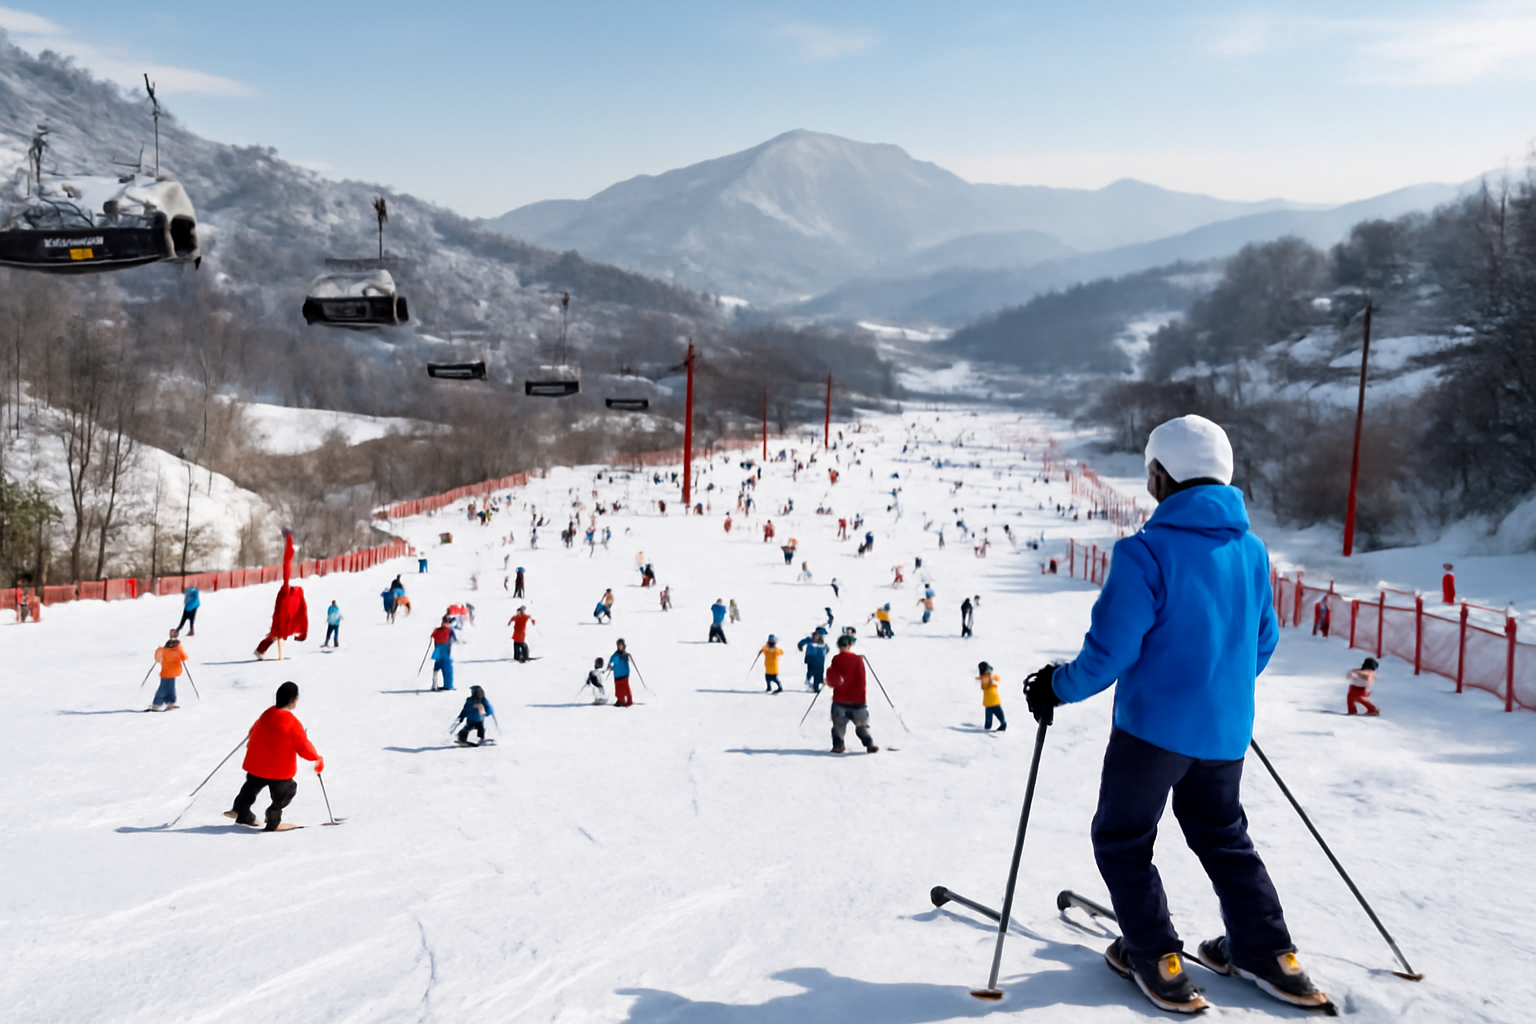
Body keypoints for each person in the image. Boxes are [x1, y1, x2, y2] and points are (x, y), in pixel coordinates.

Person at [1023, 414, 1329, 1015]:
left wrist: (1056, 687)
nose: (1148, 484)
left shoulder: (1145, 552)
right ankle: (1270, 953)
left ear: (1162, 476)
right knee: (1223, 835)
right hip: (1224, 733)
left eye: (1150, 473)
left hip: (1151, 734)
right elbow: (1263, 640)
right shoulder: (1251, 550)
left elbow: (1111, 652)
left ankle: (1156, 955)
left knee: (1122, 837)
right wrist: (1217, 690)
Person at [224, 681, 322, 832]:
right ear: (294, 700)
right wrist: (316, 758)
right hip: (279, 771)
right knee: (286, 792)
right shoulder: (292, 723)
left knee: (250, 788)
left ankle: (240, 810)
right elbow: (303, 746)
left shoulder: (266, 714)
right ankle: (273, 820)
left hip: (256, 765)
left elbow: (253, 731)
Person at [825, 634, 877, 754]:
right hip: (858, 700)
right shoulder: (858, 660)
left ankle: (838, 745)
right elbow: (862, 680)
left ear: (838, 645)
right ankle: (869, 743)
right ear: (850, 645)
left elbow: (833, 679)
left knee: (838, 726)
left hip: (840, 699)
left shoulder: (836, 659)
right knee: (862, 726)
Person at [149, 630, 189, 711]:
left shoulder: (166, 646)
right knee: (168, 688)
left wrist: (159, 651)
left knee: (165, 687)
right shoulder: (178, 646)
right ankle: (167, 703)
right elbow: (184, 657)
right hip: (173, 671)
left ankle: (159, 704)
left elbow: (158, 657)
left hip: (166, 671)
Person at [797, 627, 829, 691]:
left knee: (813, 671)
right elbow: (826, 648)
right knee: (817, 672)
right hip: (817, 659)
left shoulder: (811, 639)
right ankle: (815, 685)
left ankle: (813, 681)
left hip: (813, 658)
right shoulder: (815, 639)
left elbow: (801, 643)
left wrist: (800, 647)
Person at [430, 616, 457, 691]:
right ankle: (447, 685)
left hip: (439, 651)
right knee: (447, 669)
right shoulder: (448, 631)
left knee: (437, 668)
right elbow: (454, 639)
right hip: (444, 652)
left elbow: (433, 636)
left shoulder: (437, 630)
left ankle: (435, 685)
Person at [977, 661, 1006, 731]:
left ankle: (1003, 724)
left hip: (995, 701)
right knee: (988, 720)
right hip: (988, 702)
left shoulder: (994, 676)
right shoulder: (984, 678)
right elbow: (983, 687)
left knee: (1000, 715)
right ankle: (987, 729)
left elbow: (997, 683)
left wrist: (991, 680)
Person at [609, 639, 634, 707]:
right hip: (617, 675)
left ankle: (629, 701)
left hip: (625, 674)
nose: (619, 646)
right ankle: (620, 700)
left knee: (626, 688)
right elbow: (611, 663)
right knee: (618, 690)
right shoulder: (615, 655)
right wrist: (610, 666)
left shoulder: (626, 655)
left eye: (621, 645)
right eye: (618, 645)